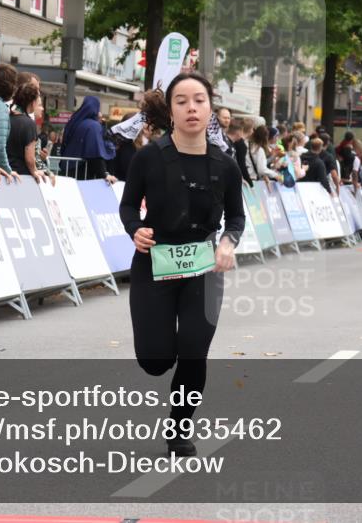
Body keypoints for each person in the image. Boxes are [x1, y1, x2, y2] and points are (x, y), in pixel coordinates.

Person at [118, 71, 244, 458]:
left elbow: (237, 217)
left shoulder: (226, 164)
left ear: (210, 109)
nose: (192, 108)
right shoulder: (148, 157)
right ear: (170, 110)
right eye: (182, 101)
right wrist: (135, 230)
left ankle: (179, 428)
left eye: (199, 100)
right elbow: (128, 205)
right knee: (155, 361)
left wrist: (228, 243)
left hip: (204, 267)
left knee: (193, 350)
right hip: (154, 263)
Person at [58, 96, 116, 181]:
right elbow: (95, 153)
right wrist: (104, 175)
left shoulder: (76, 122)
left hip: (67, 170)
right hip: (83, 175)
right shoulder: (93, 126)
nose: (100, 113)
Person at [7, 81, 52, 182]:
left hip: (7, 172)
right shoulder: (29, 124)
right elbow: (29, 158)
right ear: (32, 102)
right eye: (38, 102)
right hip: (22, 176)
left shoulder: (7, 118)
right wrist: (35, 171)